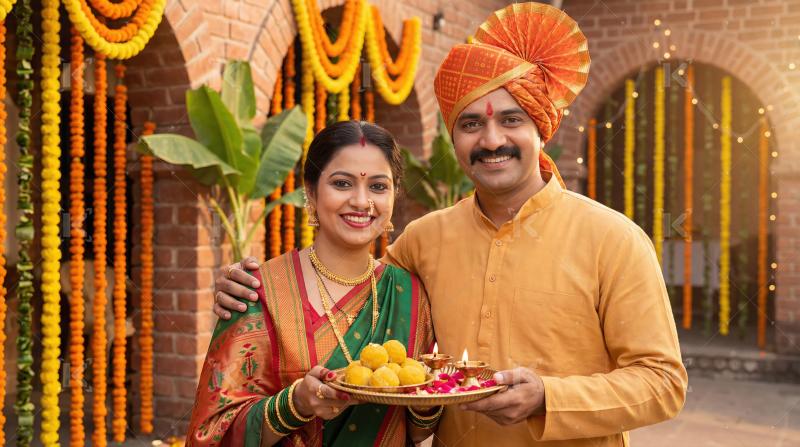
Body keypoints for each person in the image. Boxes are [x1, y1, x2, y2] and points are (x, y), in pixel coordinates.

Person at [213, 3, 687, 446]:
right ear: (454, 138)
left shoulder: (613, 239)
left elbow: (663, 383)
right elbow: (354, 292)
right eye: (470, 125)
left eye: (511, 119)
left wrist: (549, 397)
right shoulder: (424, 239)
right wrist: (244, 288)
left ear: (541, 128)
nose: (492, 139)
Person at [187, 121, 438, 446]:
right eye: (342, 183)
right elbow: (211, 433)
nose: (362, 202)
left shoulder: (410, 296)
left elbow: (417, 432)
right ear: (311, 192)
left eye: (378, 186)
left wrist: (429, 400)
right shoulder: (258, 291)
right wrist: (296, 405)